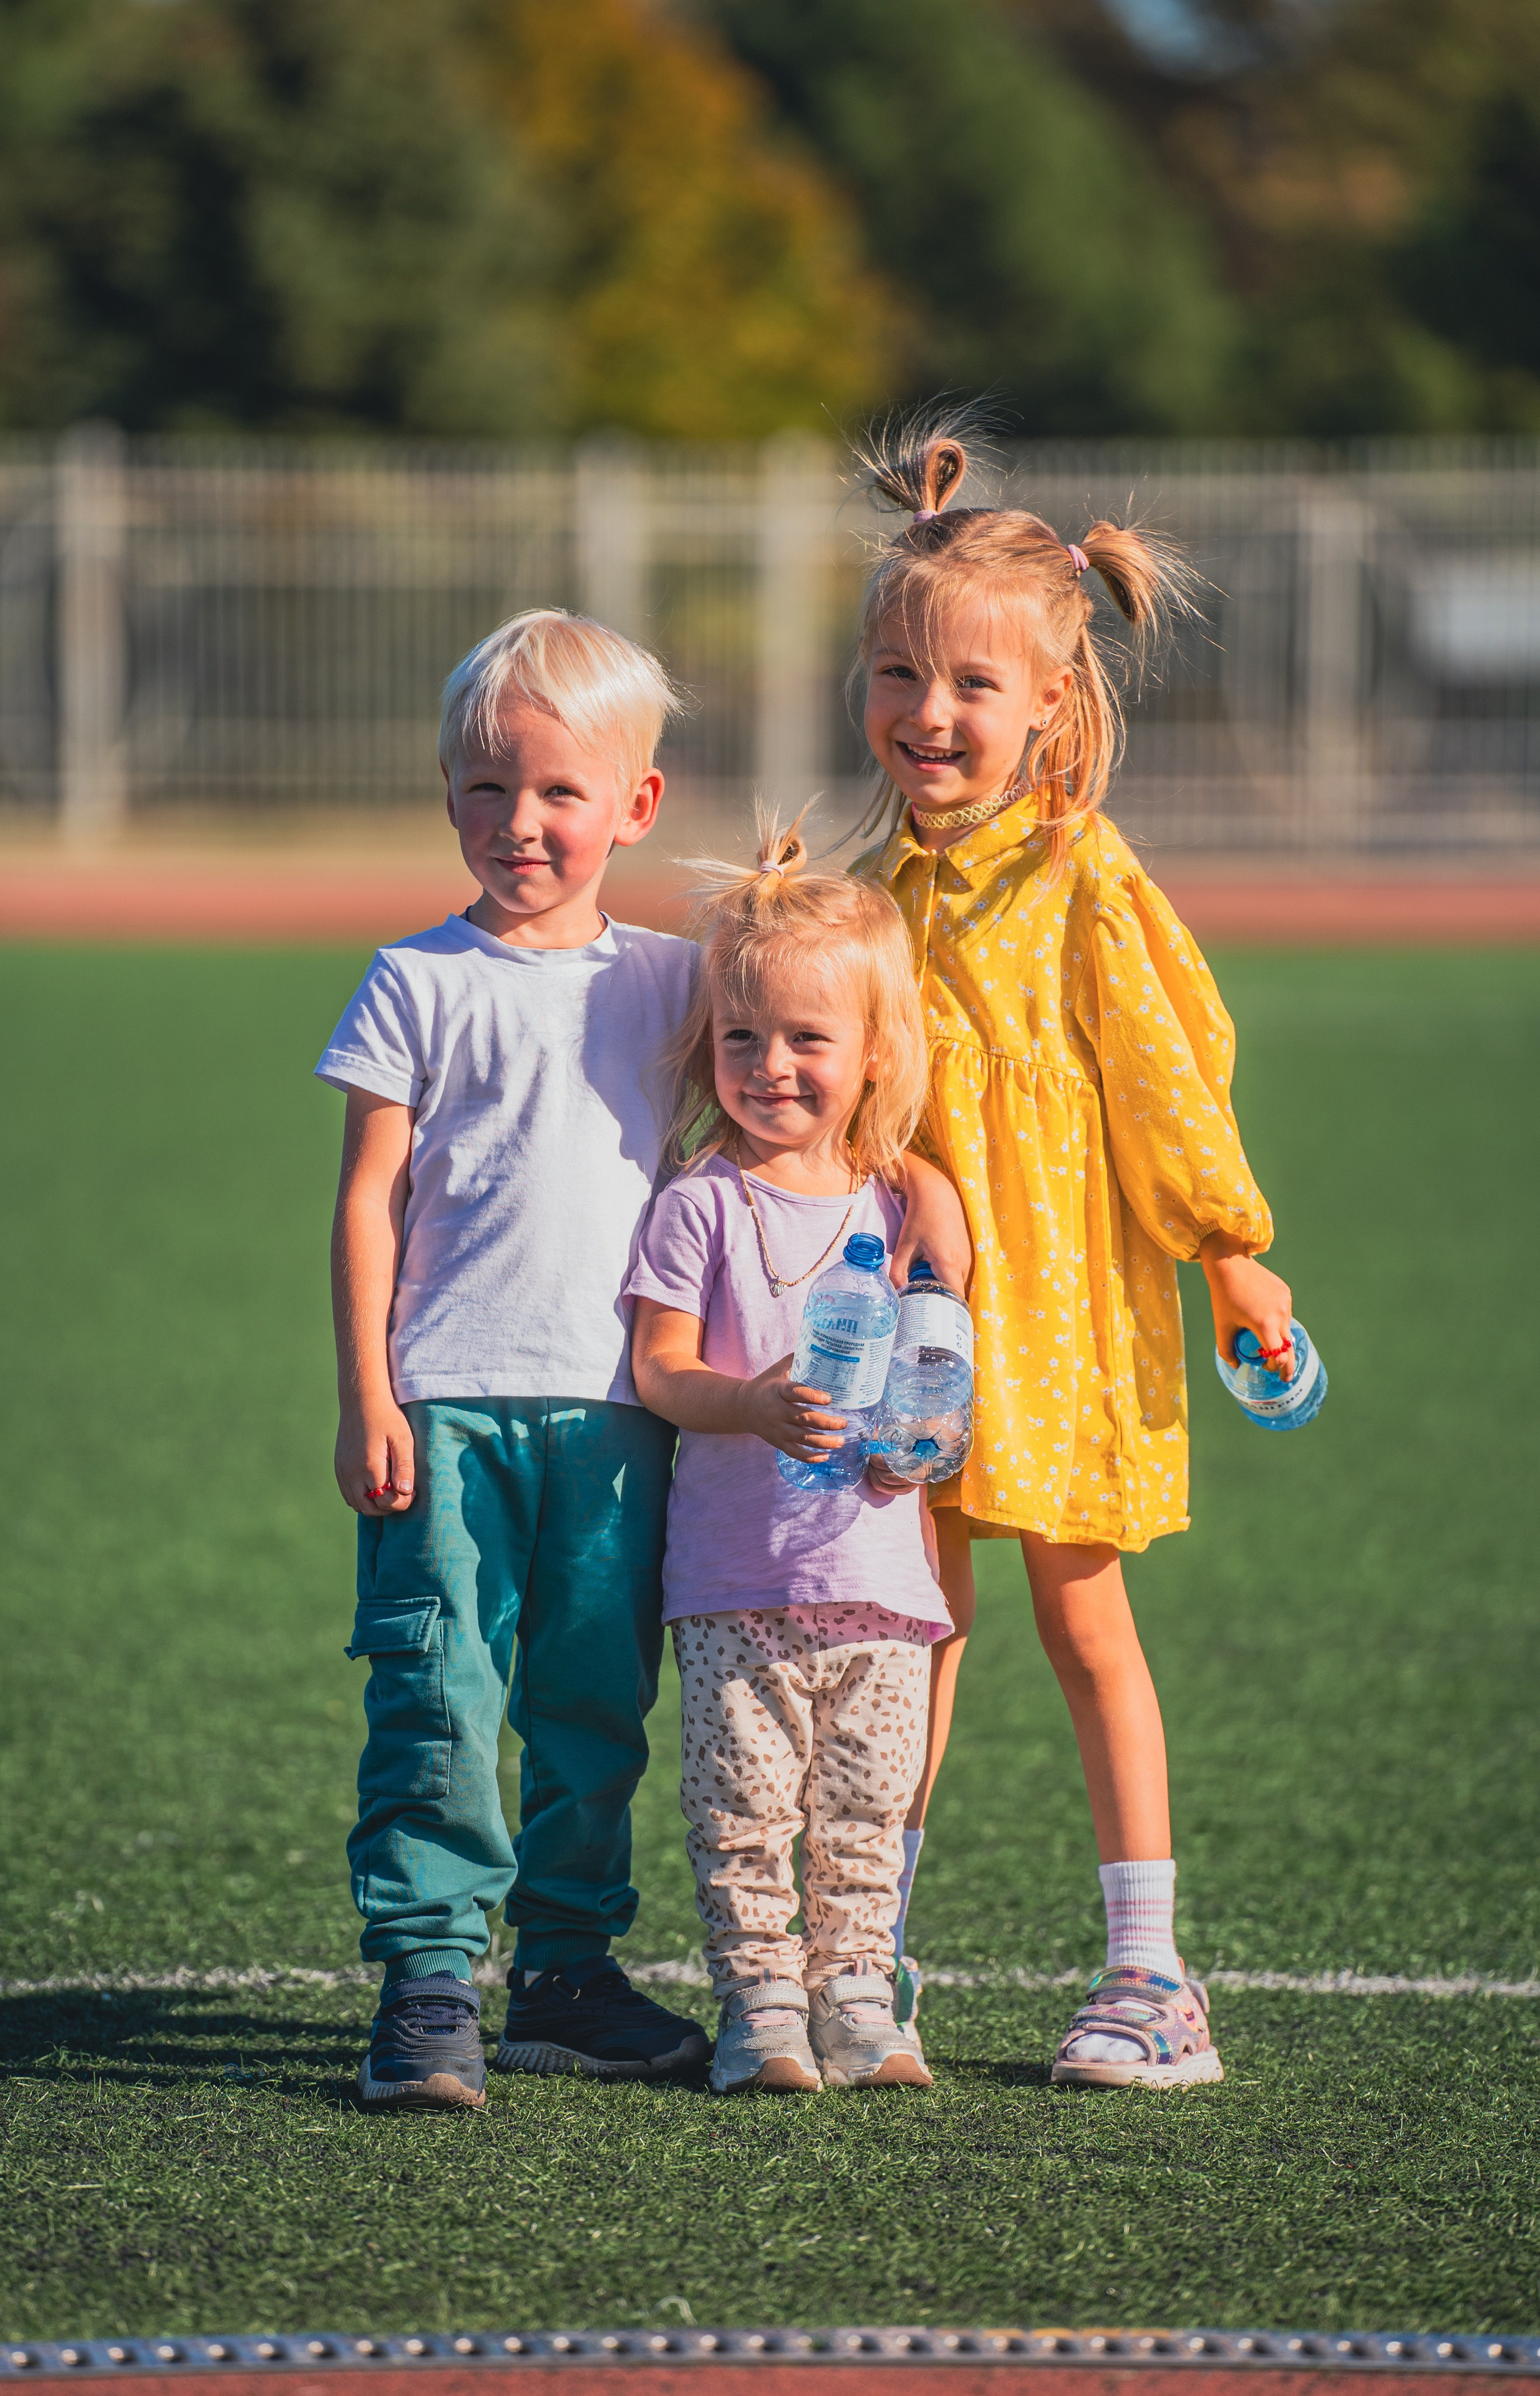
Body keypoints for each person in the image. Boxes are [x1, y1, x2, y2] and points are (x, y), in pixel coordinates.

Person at [319, 607, 968, 2111]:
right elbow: (366, 1200)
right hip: (447, 1405)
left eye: (557, 791)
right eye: (486, 787)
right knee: (437, 1689)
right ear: (446, 795)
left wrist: (918, 1176)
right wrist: (366, 1391)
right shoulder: (413, 980)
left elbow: (815, 1021)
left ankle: (561, 1969)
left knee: (593, 1701)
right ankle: (428, 1978)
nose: (520, 822)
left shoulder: (678, 977)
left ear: (636, 804)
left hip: (623, 1418)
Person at [850, 411, 1295, 2089]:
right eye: (900, 675)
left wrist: (1235, 1252)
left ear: (1054, 700)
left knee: (1088, 1627)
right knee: (913, 1633)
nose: (930, 714)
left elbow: (1172, 1085)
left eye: (971, 685)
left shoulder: (1085, 881)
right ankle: (864, 1952)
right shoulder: (877, 885)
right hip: (925, 1337)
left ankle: (1150, 1973)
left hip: (1079, 1323)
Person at [627, 816, 955, 2095]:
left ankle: (859, 1996)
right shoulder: (697, 1202)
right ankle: (758, 2004)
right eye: (741, 1037)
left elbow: (941, 1359)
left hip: (879, 1583)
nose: (770, 1067)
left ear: (872, 1054)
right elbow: (660, 1371)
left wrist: (921, 1441)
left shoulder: (899, 1203)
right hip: (732, 1580)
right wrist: (748, 1403)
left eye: (807, 1039)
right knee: (742, 1815)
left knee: (865, 1813)